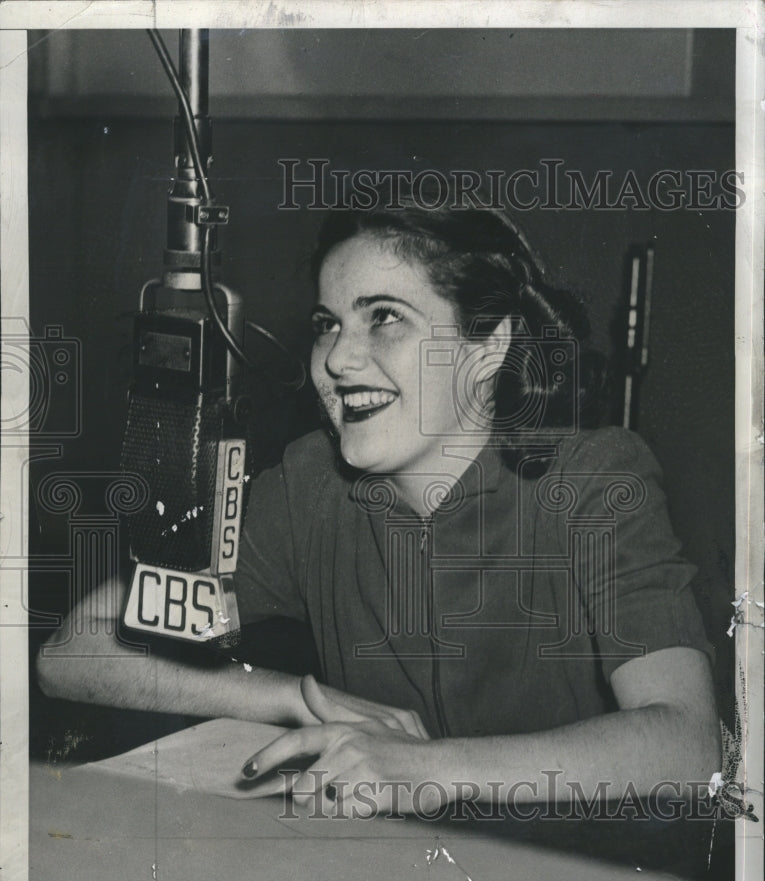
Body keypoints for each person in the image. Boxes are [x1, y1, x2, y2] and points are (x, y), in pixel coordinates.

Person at [37, 198, 720, 816]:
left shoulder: (594, 478)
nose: (337, 357)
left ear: (489, 345)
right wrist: (296, 698)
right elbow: (75, 650)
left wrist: (423, 769)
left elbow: (687, 745)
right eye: (326, 324)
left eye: (384, 318)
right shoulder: (310, 488)